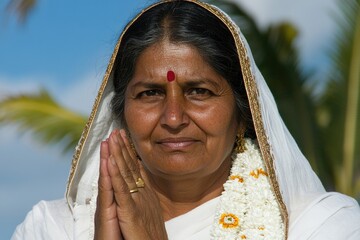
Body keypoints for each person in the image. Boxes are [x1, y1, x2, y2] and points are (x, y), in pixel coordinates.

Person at [12, 0, 360, 239]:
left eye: (199, 92)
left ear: (243, 113)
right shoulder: (53, 229)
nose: (174, 117)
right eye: (150, 93)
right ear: (121, 114)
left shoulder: (318, 226)